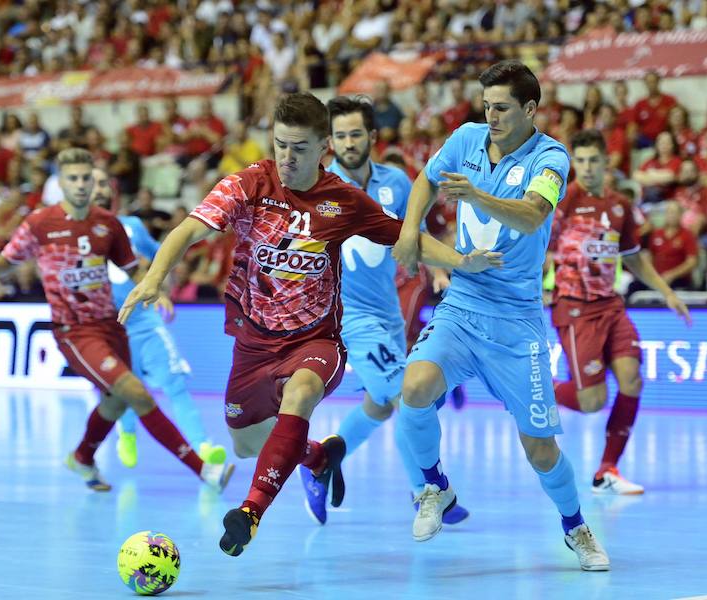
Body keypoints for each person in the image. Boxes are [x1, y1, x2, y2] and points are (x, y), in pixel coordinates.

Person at [119, 92, 498, 558]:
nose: (286, 156)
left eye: (299, 147)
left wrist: (462, 261)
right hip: (254, 343)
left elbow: (408, 238)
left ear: (324, 149)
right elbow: (188, 230)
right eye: (280, 144)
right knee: (246, 444)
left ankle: (251, 512)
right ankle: (319, 457)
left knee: (306, 396)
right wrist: (155, 278)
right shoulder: (247, 184)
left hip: (317, 339)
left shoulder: (341, 200)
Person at [392, 60, 609, 571]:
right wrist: (409, 229)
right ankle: (434, 487)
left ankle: (575, 525)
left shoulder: (550, 156)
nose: (491, 116)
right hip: (463, 304)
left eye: (502, 107)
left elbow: (534, 215)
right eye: (486, 105)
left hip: (517, 320)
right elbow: (425, 180)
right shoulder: (466, 137)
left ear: (530, 109)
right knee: (415, 387)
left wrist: (477, 197)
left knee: (540, 449)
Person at [0, 148, 234, 494]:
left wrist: (153, 285)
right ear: (61, 183)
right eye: (74, 179)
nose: (81, 185)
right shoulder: (39, 223)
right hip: (75, 332)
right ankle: (204, 471)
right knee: (136, 392)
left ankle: (82, 457)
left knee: (115, 400)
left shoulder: (107, 225)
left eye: (86, 178)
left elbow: (132, 267)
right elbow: (7, 259)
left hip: (113, 326)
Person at [298, 95, 475, 525]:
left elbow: (419, 233)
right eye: (339, 135)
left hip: (389, 316)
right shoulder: (318, 190)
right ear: (329, 142)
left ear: (372, 137)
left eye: (355, 133)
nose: (348, 142)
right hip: (347, 319)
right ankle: (426, 492)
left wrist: (438, 270)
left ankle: (323, 460)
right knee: (405, 397)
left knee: (379, 405)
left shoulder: (396, 182)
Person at [547, 130, 691, 496]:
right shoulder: (561, 203)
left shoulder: (619, 207)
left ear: (606, 163)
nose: (586, 168)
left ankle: (607, 470)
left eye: (593, 160)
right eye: (579, 160)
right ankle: (535, 392)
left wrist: (667, 293)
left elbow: (634, 258)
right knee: (591, 401)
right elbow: (535, 246)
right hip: (575, 308)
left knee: (632, 380)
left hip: (610, 305)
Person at [89, 166, 228, 469]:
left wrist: (161, 286)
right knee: (123, 390)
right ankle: (126, 433)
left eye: (104, 184)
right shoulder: (74, 235)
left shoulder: (132, 226)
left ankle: (203, 446)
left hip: (144, 321)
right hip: (106, 329)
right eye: (93, 183)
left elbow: (161, 254)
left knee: (175, 382)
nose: (99, 190)